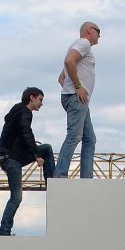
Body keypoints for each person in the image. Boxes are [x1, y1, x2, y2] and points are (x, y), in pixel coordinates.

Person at [0, 87, 54, 235]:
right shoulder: (24, 112)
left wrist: (34, 149)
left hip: (12, 156)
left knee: (46, 149)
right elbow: (26, 131)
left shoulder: (18, 110)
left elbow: (22, 135)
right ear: (32, 97)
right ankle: (4, 231)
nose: (41, 103)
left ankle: (52, 184)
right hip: (11, 158)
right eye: (40, 99)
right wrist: (36, 155)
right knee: (16, 197)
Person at [54, 21, 100, 179]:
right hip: (77, 98)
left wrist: (70, 90)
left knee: (90, 139)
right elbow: (69, 61)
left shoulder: (79, 47)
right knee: (74, 136)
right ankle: (60, 175)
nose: (99, 35)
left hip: (78, 99)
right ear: (89, 30)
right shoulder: (83, 43)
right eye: (98, 31)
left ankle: (86, 178)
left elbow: (61, 78)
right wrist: (78, 87)